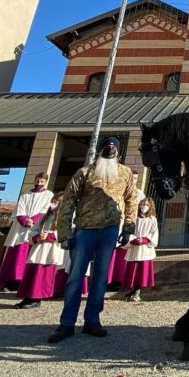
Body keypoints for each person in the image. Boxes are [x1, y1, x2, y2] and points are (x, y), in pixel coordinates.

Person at [47, 136, 138, 343]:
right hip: (84, 228)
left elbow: (131, 200)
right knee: (76, 275)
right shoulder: (85, 172)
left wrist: (129, 226)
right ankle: (67, 322)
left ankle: (92, 319)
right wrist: (64, 233)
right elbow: (68, 201)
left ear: (119, 151)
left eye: (114, 146)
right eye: (107, 145)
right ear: (100, 149)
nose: (111, 148)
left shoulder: (124, 173)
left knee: (100, 276)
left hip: (110, 229)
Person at [0, 172, 54, 290]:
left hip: (36, 225)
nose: (39, 183)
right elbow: (20, 209)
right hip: (20, 227)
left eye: (42, 182)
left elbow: (45, 210)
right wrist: (24, 220)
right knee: (16, 254)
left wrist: (33, 220)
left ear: (46, 182)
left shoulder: (49, 195)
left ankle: (24, 281)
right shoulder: (25, 195)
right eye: (37, 181)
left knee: (30, 253)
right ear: (34, 180)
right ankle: (10, 281)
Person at [15, 193, 64, 308]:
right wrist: (37, 236)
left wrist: (49, 236)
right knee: (32, 271)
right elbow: (34, 229)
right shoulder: (44, 216)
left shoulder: (64, 217)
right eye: (54, 201)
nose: (54, 204)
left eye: (57, 202)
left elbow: (66, 232)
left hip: (51, 248)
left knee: (42, 273)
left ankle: (36, 298)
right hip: (39, 246)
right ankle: (28, 296)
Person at [119, 196, 159, 301]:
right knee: (133, 270)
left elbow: (154, 233)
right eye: (142, 204)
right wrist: (132, 240)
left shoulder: (152, 219)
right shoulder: (134, 218)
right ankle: (133, 288)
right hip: (134, 247)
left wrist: (145, 240)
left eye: (146, 205)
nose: (144, 207)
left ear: (150, 207)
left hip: (145, 248)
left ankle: (138, 290)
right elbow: (128, 231)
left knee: (142, 270)